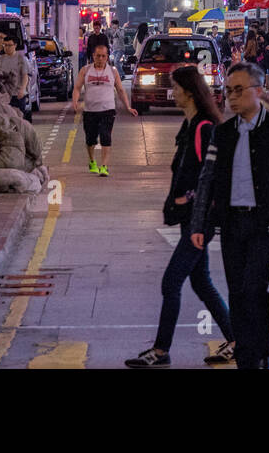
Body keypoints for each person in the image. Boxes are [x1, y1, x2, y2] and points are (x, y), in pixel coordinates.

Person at [190, 63, 269, 369]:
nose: (231, 97)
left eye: (238, 90)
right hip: (231, 224)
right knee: (237, 294)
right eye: (228, 91)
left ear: (257, 91)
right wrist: (199, 223)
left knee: (254, 290)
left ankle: (256, 356)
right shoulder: (222, 133)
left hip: (267, 225)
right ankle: (250, 356)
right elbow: (208, 179)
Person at [126, 65, 235, 368]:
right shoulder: (189, 126)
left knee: (170, 282)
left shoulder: (204, 128)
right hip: (191, 218)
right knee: (201, 283)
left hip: (200, 221)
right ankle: (236, 339)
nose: (172, 92)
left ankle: (161, 351)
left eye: (175, 87)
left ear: (188, 91)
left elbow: (212, 177)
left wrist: (188, 198)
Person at [72, 42, 138, 177]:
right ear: (93, 56)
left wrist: (128, 106)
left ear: (107, 57)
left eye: (103, 56)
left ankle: (104, 166)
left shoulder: (113, 72)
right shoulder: (85, 70)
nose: (100, 59)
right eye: (98, 56)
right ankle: (92, 161)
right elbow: (77, 88)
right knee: (90, 139)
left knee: (105, 137)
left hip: (108, 110)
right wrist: (75, 102)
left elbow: (120, 90)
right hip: (90, 111)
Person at [0, 35, 32, 122]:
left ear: (15, 45)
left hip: (17, 95)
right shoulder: (1, 59)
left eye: (9, 45)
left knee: (18, 118)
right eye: (5, 45)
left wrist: (22, 90)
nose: (7, 48)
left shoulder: (21, 59)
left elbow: (25, 76)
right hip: (5, 95)